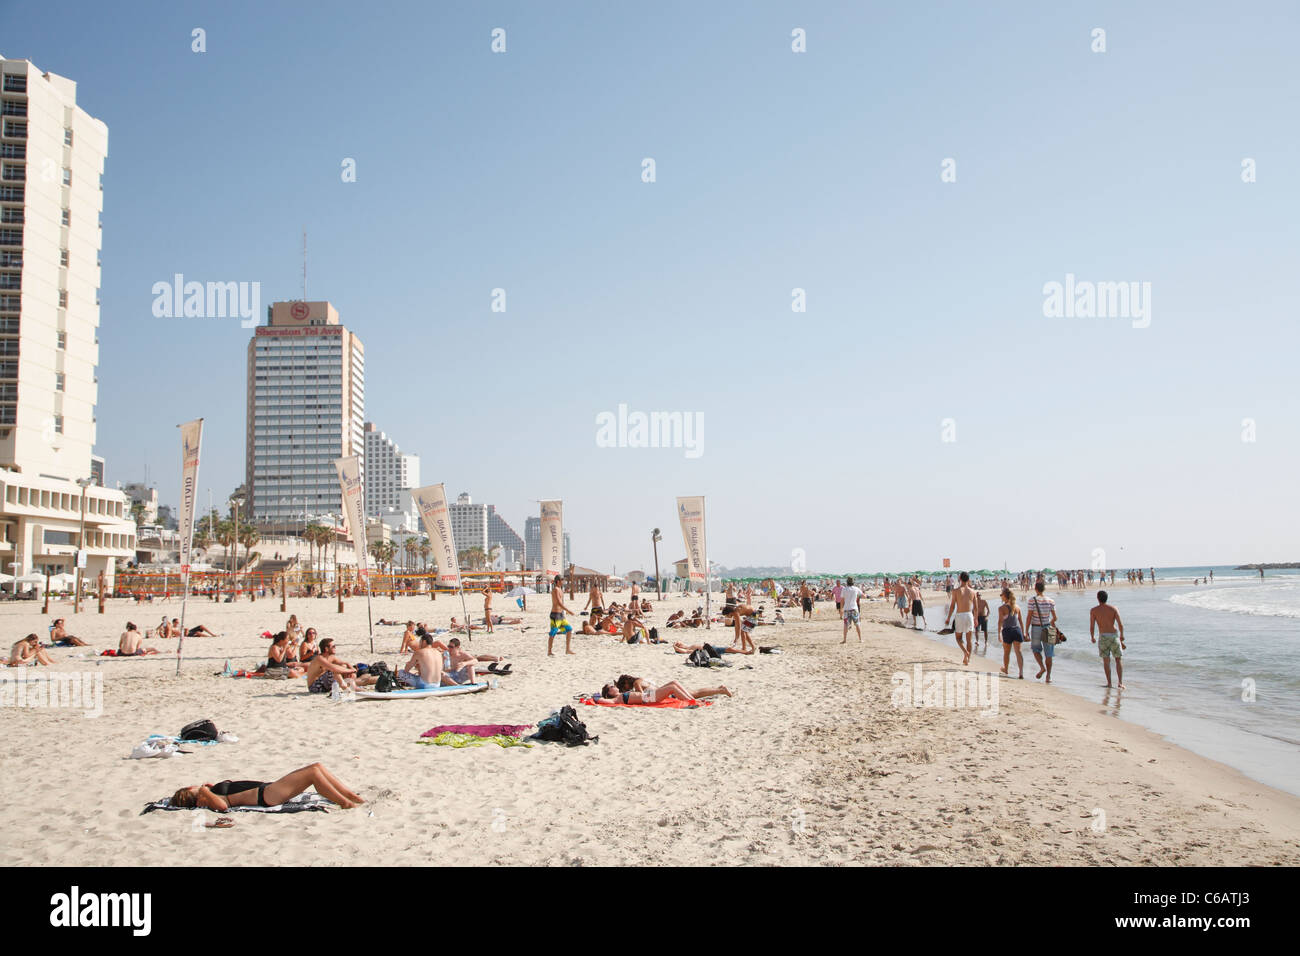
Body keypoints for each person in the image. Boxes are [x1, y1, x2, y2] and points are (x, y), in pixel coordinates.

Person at [170, 763, 364, 810]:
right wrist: (204, 790)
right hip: (267, 796)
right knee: (313, 773)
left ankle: (351, 796)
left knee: (317, 767)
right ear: (189, 792)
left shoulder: (209, 793)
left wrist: (210, 788)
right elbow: (223, 806)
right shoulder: (205, 797)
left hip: (269, 790)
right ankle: (346, 802)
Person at [304, 638, 375, 693]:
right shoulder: (320, 658)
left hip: (325, 684)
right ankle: (344, 686)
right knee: (333, 670)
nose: (335, 648)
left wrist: (351, 671)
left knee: (343, 667)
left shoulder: (331, 657)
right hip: (315, 687)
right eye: (333, 646)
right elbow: (333, 668)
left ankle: (353, 686)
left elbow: (345, 663)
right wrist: (350, 670)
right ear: (326, 649)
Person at [1089, 590, 1126, 688]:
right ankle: (1120, 682)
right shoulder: (1113, 609)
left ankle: (1109, 683)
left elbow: (1092, 626)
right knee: (1118, 659)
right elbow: (1120, 624)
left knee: (1106, 661)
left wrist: (1092, 636)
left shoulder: (1094, 610)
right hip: (1113, 635)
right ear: (1107, 598)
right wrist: (1122, 635)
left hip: (1103, 636)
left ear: (1098, 598)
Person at [599, 676, 731, 703]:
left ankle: (719, 690)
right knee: (695, 692)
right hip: (654, 695)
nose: (616, 687)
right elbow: (642, 696)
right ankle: (719, 690)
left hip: (654, 695)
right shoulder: (618, 697)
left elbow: (641, 694)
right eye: (612, 687)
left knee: (695, 693)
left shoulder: (637, 682)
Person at [1026, 580, 1057, 683]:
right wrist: (1051, 622)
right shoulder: (1050, 601)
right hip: (1048, 627)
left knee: (1036, 650)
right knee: (1049, 654)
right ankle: (1048, 676)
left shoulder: (1031, 601)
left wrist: (1026, 630)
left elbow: (1029, 617)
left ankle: (1042, 667)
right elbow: (1055, 617)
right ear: (1044, 589)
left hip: (1036, 628)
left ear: (1035, 589)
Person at [944, 571, 977, 665]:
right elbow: (976, 607)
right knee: (969, 640)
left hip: (960, 615)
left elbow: (952, 606)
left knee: (958, 638)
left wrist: (948, 618)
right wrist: (976, 619)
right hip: (969, 615)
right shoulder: (973, 591)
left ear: (960, 579)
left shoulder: (955, 591)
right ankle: (968, 659)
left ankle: (965, 652)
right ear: (969, 580)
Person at [997, 587, 1025, 678]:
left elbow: (1000, 622)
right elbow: (1020, 621)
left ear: (1005, 596)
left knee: (1006, 652)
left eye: (1001, 595)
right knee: (1018, 652)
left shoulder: (1002, 608)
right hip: (1017, 630)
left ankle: (1006, 669)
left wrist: (998, 633)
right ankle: (1021, 672)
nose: (1001, 597)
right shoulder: (1017, 607)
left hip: (1007, 631)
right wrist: (1024, 632)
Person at [549, 575, 574, 656]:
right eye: (561, 580)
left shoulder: (560, 589)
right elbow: (559, 603)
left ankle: (567, 649)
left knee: (569, 629)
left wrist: (564, 611)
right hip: (555, 615)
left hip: (561, 615)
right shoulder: (555, 590)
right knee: (553, 633)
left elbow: (561, 603)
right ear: (558, 581)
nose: (563, 581)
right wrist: (568, 610)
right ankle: (549, 651)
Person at [840, 576, 863, 644]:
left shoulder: (844, 589)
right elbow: (862, 595)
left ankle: (844, 640)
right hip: (854, 608)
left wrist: (841, 608)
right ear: (853, 582)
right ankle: (860, 639)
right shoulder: (856, 589)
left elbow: (842, 600)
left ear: (847, 582)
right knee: (857, 624)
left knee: (846, 625)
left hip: (846, 609)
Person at [673, 641, 752, 656]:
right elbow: (683, 651)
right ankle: (745, 652)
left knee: (729, 649)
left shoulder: (688, 646)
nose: (679, 642)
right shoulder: (688, 649)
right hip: (709, 650)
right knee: (729, 649)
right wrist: (675, 647)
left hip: (710, 648)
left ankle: (744, 651)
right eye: (679, 644)